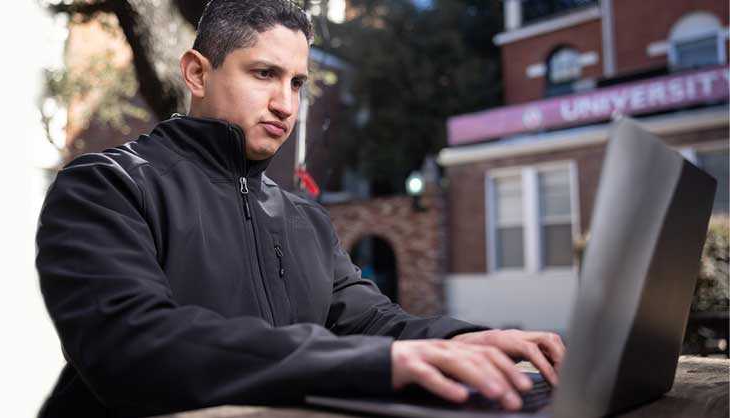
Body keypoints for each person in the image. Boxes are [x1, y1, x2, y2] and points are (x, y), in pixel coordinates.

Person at [36, 1, 565, 417]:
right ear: (197, 73)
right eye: (264, 74)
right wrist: (375, 364)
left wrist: (467, 339)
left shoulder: (305, 218)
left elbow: (372, 321)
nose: (286, 105)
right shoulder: (104, 186)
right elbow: (132, 346)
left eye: (296, 83)